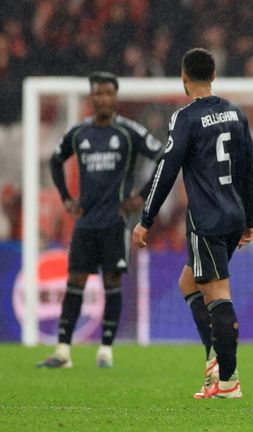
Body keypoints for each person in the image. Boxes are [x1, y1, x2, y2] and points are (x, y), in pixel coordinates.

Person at [132, 48, 253, 399]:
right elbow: (250, 169)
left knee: (217, 294)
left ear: (183, 78)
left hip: (207, 219)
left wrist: (146, 219)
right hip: (233, 215)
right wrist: (249, 218)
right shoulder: (236, 112)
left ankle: (228, 381)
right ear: (214, 76)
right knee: (189, 284)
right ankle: (215, 361)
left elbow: (166, 168)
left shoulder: (185, 118)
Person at [38, 72, 163, 369]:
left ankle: (105, 350)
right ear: (92, 97)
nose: (104, 98)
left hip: (116, 221)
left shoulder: (128, 131)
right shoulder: (79, 133)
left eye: (109, 93)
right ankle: (63, 352)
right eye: (98, 93)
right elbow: (56, 161)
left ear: (115, 97)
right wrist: (67, 198)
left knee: (112, 282)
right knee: (75, 282)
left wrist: (143, 195)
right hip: (85, 222)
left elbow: (162, 156)